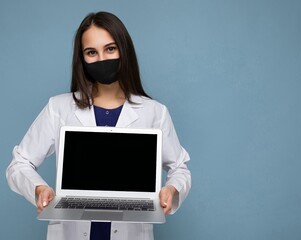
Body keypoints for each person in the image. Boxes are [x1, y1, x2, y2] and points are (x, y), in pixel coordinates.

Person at [6, 11, 191, 240]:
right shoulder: (59, 107)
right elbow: (19, 163)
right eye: (91, 52)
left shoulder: (155, 112)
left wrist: (172, 191)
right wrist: (38, 189)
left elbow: (179, 168)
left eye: (110, 49)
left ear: (124, 50)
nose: (102, 59)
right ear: (82, 58)